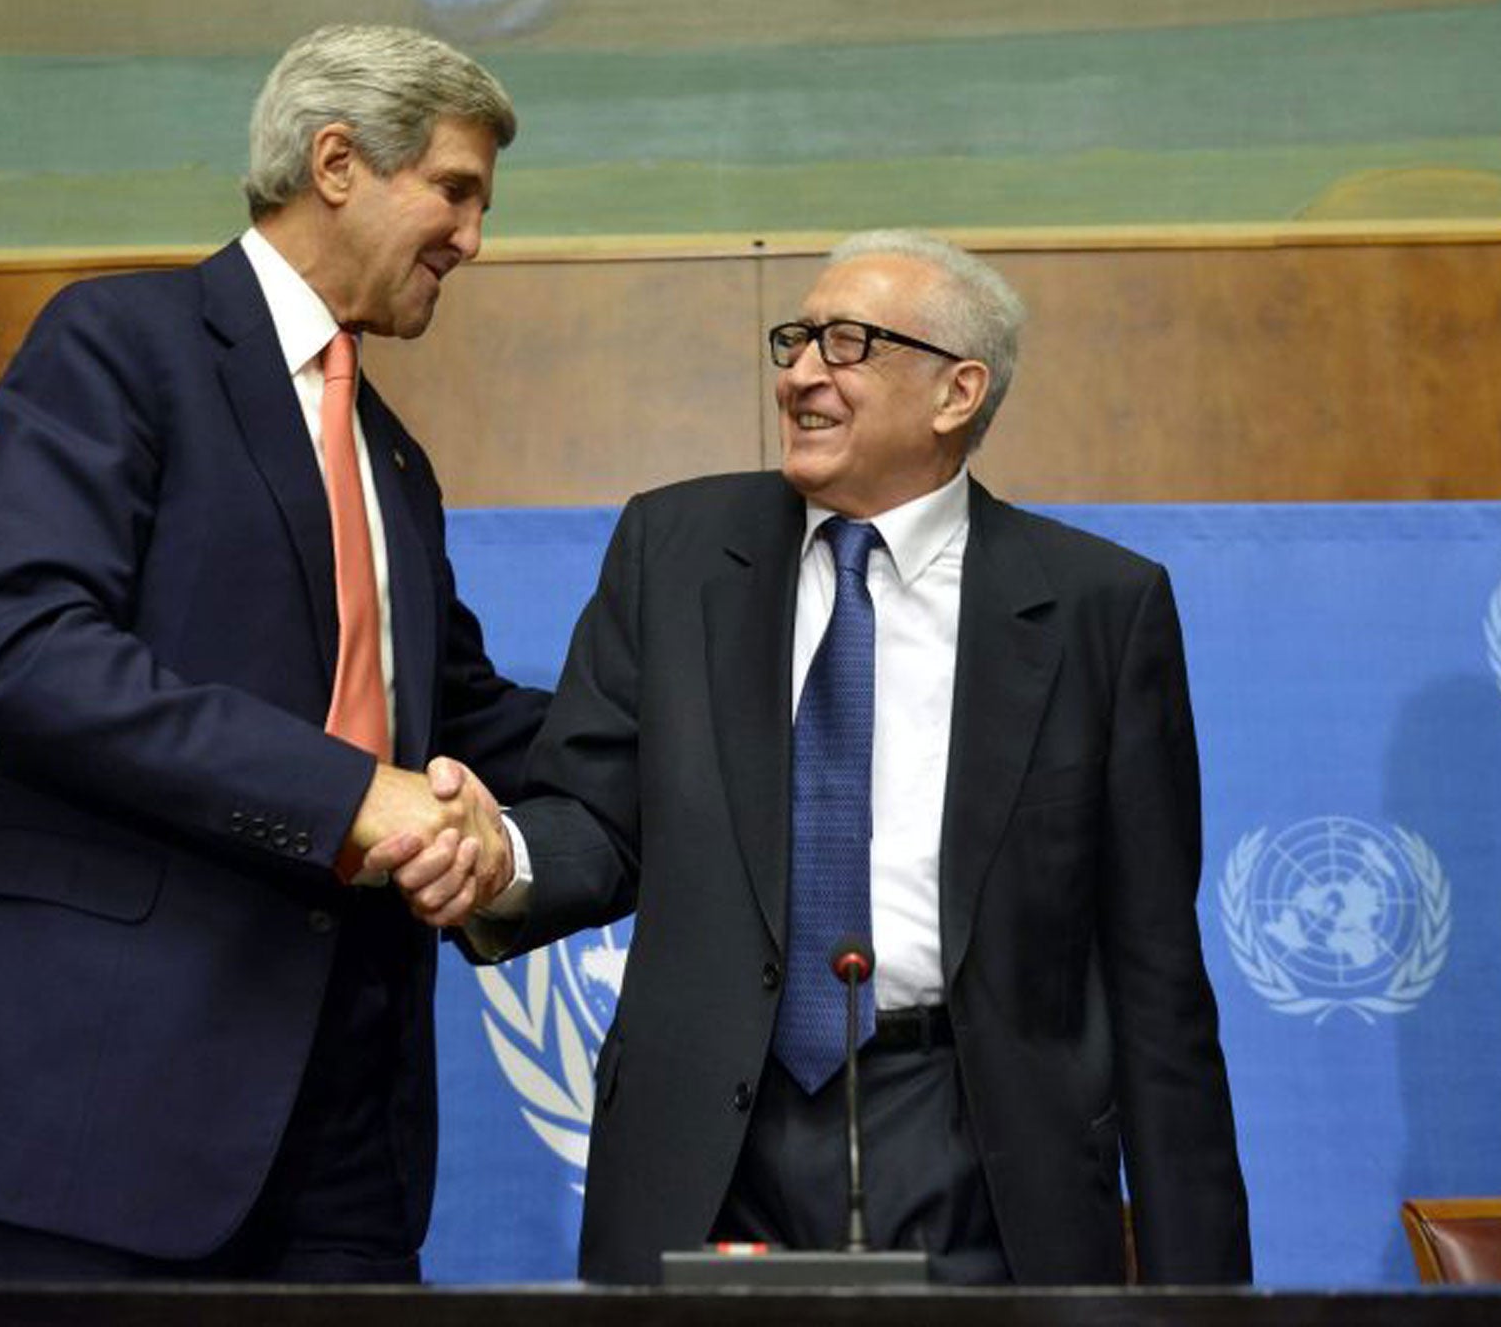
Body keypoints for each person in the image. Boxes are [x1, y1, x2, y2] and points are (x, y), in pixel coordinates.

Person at [430, 229, 1251, 1284]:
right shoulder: (673, 551)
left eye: (846, 343)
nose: (800, 373)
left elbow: (1153, 976)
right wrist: (500, 857)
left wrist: (1207, 1298)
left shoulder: (1098, 607)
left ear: (957, 393)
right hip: (710, 1135)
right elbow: (596, 814)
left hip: (972, 1136)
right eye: (795, 340)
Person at [0, 24, 550, 1283]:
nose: (474, 239)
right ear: (336, 162)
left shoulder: (394, 457)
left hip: (346, 1129)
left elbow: (460, 719)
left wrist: (716, 722)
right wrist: (345, 794)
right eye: (457, 191)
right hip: (91, 1114)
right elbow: (20, 646)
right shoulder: (120, 344)